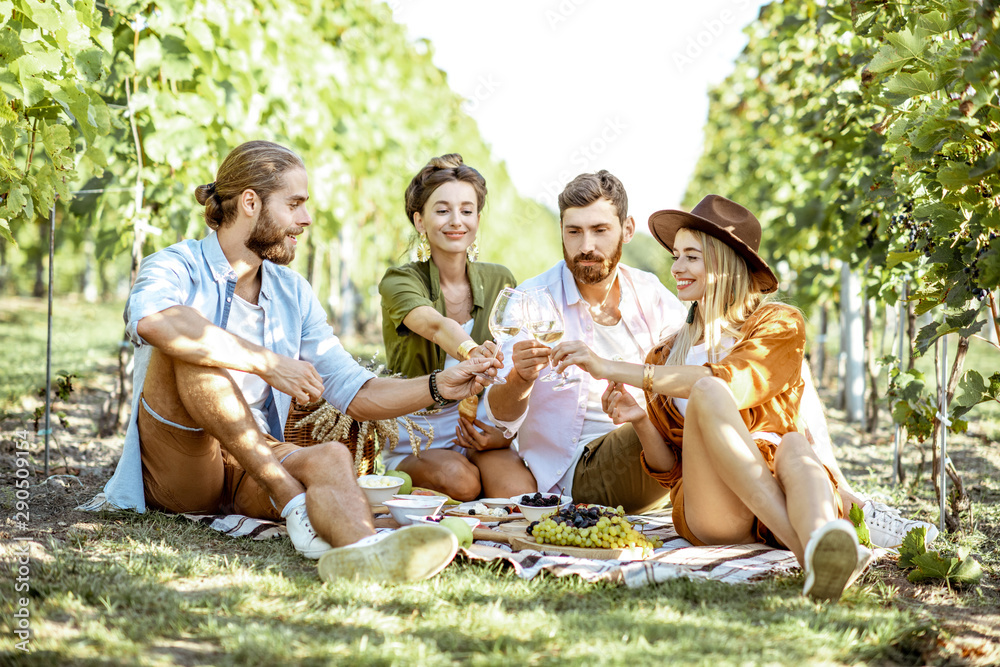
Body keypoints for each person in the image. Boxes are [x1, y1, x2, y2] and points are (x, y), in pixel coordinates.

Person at [95, 141, 499, 584]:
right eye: (295, 204)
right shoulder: (176, 264)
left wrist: (441, 384)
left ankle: (367, 554)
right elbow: (152, 320)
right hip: (185, 463)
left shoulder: (292, 290)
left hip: (255, 464)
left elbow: (355, 390)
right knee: (194, 343)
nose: (305, 220)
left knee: (327, 457)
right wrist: (267, 363)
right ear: (250, 202)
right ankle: (291, 501)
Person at [552, 194, 871, 600]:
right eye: (676, 256)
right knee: (706, 390)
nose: (676, 268)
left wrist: (613, 367)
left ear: (723, 264)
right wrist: (640, 420)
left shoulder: (778, 324)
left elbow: (735, 382)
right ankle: (808, 553)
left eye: (691, 257)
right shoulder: (667, 356)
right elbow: (669, 468)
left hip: (781, 482)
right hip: (714, 509)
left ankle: (825, 550)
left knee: (791, 443)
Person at [484, 171, 687, 512]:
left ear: (627, 229)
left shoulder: (650, 294)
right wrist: (520, 378)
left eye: (599, 230)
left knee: (722, 397)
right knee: (695, 416)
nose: (586, 247)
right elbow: (499, 420)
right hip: (581, 468)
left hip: (656, 451)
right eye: (573, 232)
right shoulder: (533, 299)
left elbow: (691, 373)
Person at [378, 154, 532, 500]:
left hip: (474, 426)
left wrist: (501, 434)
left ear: (478, 218)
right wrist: (473, 352)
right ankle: (408, 472)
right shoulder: (399, 279)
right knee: (462, 482)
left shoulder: (501, 279)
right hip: (417, 431)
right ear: (420, 221)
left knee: (517, 494)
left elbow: (511, 363)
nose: (456, 221)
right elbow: (435, 325)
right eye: (442, 210)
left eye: (467, 210)